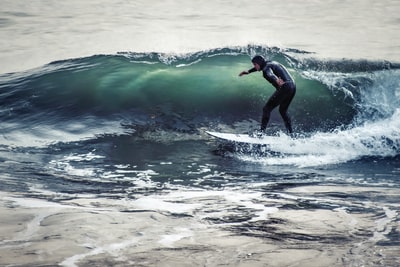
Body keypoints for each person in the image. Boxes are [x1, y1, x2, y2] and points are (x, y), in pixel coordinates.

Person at [239, 55, 296, 134]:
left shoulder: (266, 69)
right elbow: (264, 69)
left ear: (259, 63)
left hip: (284, 87)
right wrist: (248, 71)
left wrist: (276, 80)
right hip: (292, 86)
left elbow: (269, 73)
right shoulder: (271, 63)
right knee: (283, 111)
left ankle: (262, 134)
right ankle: (291, 134)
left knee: (266, 109)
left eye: (255, 64)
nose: (254, 66)